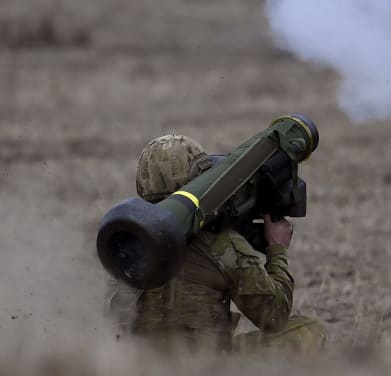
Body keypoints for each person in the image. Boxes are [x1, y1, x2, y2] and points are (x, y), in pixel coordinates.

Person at [104, 134, 326, 353]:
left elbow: (114, 324)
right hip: (208, 370)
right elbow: (273, 315)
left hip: (143, 370)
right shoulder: (222, 246)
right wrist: (277, 249)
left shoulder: (125, 242)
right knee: (308, 330)